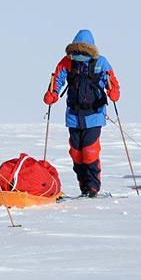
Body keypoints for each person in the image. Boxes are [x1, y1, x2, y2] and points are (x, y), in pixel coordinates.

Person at [43, 29, 120, 198]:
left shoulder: (101, 63)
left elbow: (112, 83)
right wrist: (52, 94)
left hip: (95, 114)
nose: (79, 55)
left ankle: (92, 187)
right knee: (76, 153)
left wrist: (114, 92)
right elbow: (58, 79)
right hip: (73, 115)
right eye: (76, 51)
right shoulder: (67, 62)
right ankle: (84, 186)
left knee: (90, 151)